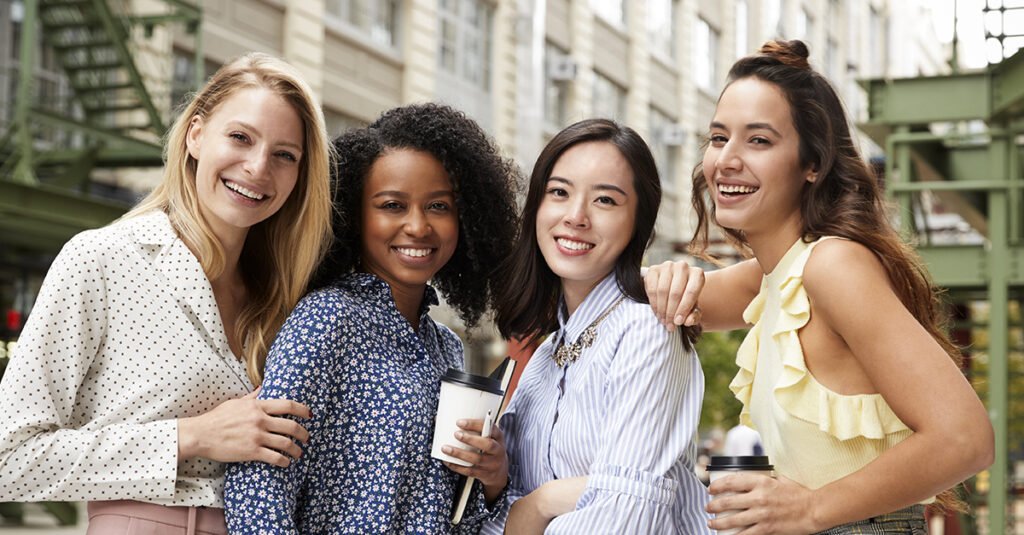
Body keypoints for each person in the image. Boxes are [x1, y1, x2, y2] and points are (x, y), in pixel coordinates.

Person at [650, 39, 993, 534]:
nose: (727, 159)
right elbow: (653, 296)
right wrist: (662, 272)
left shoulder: (832, 266)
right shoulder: (774, 277)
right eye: (719, 137)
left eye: (759, 141)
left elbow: (966, 437)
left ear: (813, 164)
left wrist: (809, 509)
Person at [0, 52, 333, 533]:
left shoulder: (286, 300)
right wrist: (190, 437)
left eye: (285, 155)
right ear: (196, 135)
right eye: (240, 137)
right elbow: (9, 458)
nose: (259, 167)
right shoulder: (103, 259)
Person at [222, 103, 520, 533]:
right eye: (392, 205)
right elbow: (257, 485)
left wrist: (490, 479)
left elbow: (446, 515)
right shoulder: (327, 320)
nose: (418, 226)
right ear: (354, 217)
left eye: (438, 206)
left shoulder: (445, 347)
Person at [481, 118, 711, 534]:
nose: (576, 216)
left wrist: (536, 506)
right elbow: (503, 511)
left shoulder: (648, 331)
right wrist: (504, 484)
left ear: (637, 222)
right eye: (559, 192)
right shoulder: (546, 356)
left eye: (605, 200)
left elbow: (622, 517)